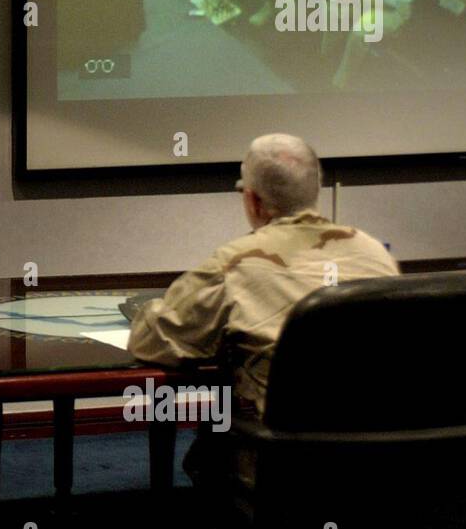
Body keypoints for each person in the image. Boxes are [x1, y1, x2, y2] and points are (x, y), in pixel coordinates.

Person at [129, 134, 399, 485]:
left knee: (210, 441)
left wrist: (146, 308)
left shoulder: (235, 264)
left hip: (284, 465)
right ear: (314, 189)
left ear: (253, 200)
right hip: (385, 459)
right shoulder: (376, 254)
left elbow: (153, 341)